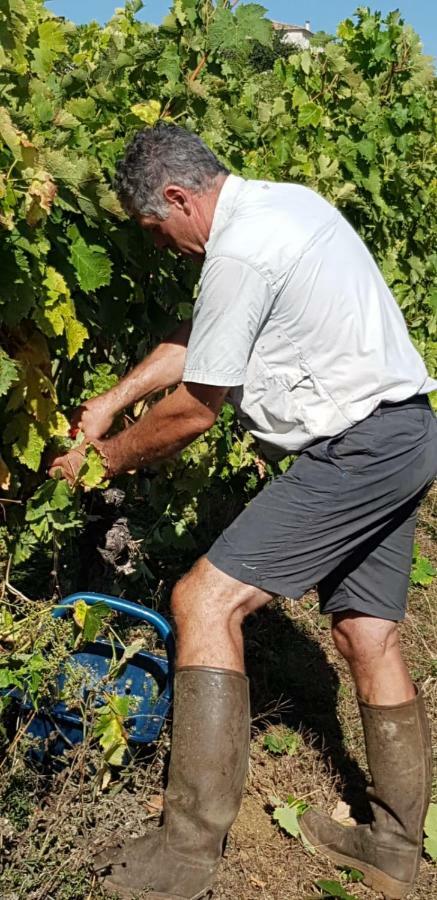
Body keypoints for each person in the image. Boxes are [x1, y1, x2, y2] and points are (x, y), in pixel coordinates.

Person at [49, 123, 437, 900]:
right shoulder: (278, 209)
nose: (160, 246)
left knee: (203, 600)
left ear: (178, 197)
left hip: (355, 449)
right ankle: (394, 848)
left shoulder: (241, 248)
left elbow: (197, 408)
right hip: (405, 431)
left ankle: (185, 854)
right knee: (366, 634)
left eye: (156, 229)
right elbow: (204, 339)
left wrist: (102, 461)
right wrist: (110, 401)